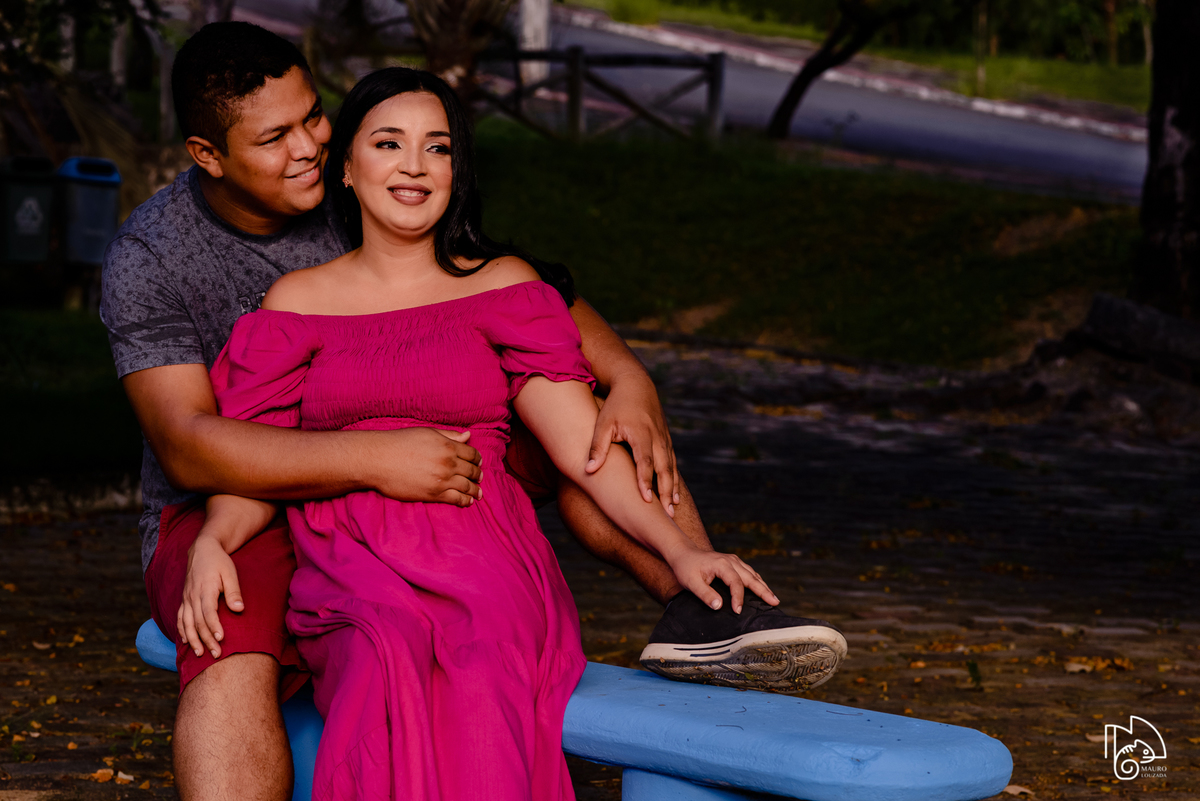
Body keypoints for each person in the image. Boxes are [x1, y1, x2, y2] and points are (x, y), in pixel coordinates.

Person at [99, 21, 845, 801]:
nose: (307, 147)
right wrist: (355, 473)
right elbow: (195, 444)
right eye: (276, 136)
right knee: (263, 650)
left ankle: (704, 605)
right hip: (280, 492)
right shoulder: (164, 259)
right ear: (208, 154)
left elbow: (532, 317)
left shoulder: (397, 208)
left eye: (314, 117)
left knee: (588, 450)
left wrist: (627, 375)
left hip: (464, 492)